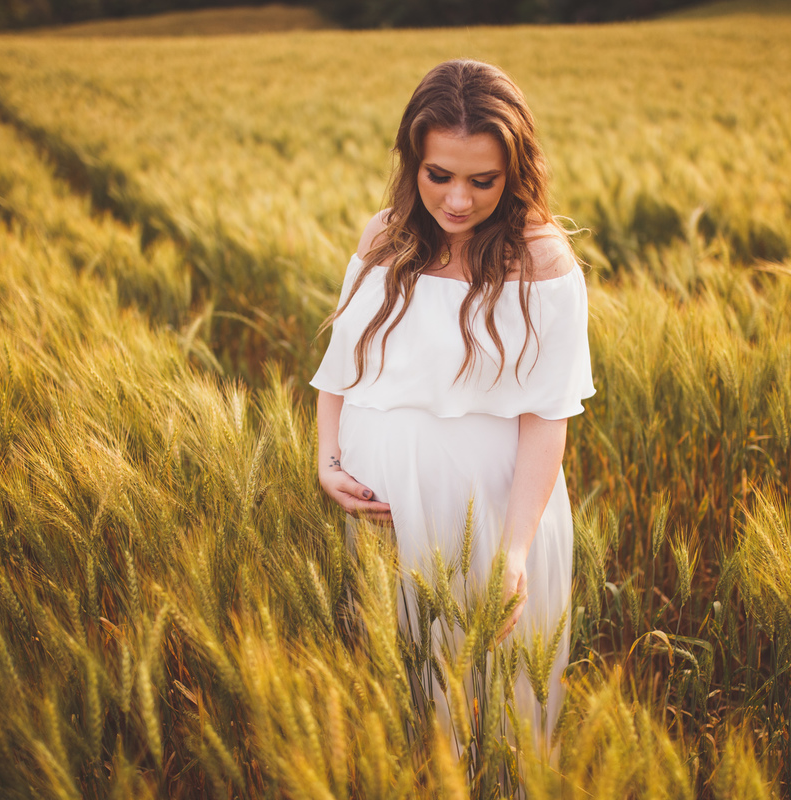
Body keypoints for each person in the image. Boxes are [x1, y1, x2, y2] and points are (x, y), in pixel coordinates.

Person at [311, 59, 594, 753]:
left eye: (483, 180)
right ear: (413, 163)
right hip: (379, 518)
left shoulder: (541, 259)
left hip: (492, 518)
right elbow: (339, 372)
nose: (459, 201)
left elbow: (546, 415)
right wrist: (327, 461)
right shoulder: (385, 236)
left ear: (515, 170)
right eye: (439, 175)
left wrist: (515, 552)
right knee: (393, 714)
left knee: (492, 718)